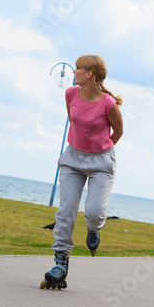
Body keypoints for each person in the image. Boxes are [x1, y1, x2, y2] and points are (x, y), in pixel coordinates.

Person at [41, 55, 124, 289]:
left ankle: (94, 228)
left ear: (89, 74)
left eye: (78, 68)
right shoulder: (70, 94)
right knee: (65, 212)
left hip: (101, 162)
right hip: (73, 158)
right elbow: (73, 119)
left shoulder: (108, 103)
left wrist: (100, 150)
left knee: (94, 213)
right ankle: (60, 262)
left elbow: (118, 131)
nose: (74, 71)